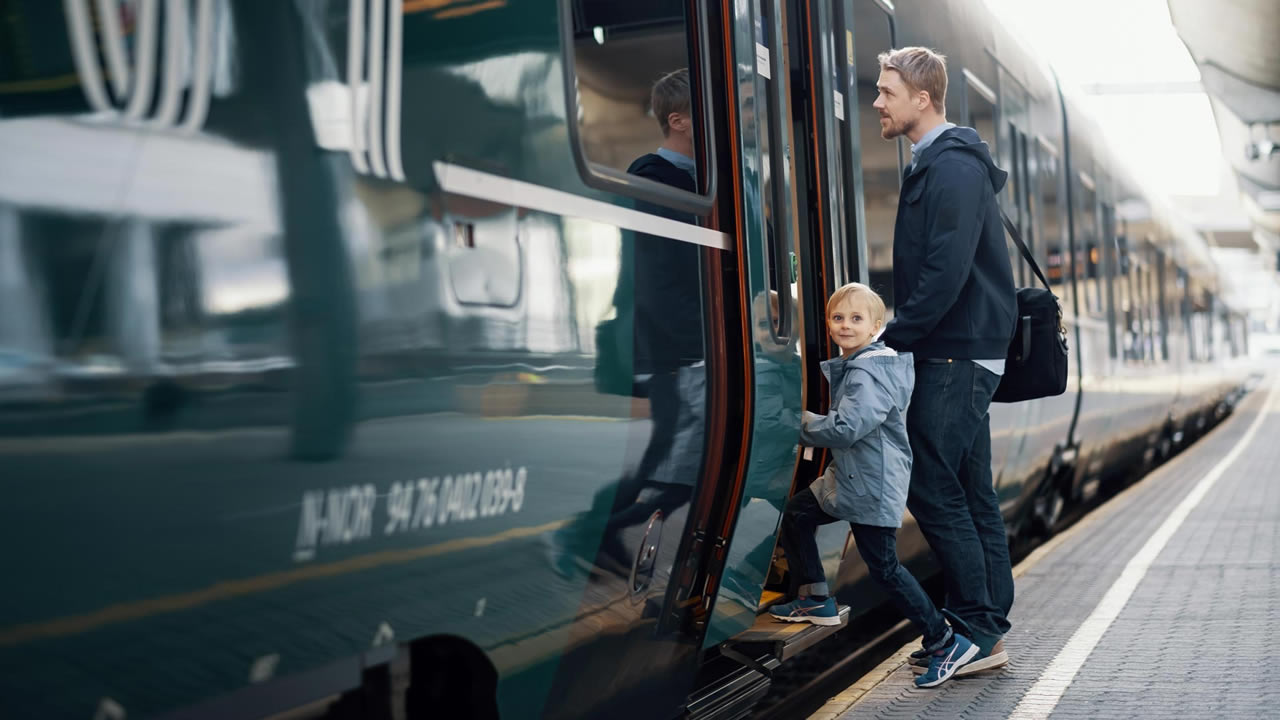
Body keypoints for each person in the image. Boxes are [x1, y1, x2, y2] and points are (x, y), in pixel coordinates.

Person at [871, 46, 1017, 676]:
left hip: (957, 351)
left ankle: (978, 628)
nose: (876, 101)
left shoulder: (953, 166)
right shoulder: (943, 162)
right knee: (969, 489)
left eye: (886, 91)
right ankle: (983, 626)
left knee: (931, 483)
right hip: (963, 348)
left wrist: (895, 335)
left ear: (922, 99)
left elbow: (946, 269)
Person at [768, 283, 979, 688]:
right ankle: (815, 597)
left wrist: (793, 424)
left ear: (876, 327)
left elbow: (847, 428)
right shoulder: (861, 363)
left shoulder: (868, 372)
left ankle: (944, 640)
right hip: (850, 479)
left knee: (884, 568)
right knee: (796, 514)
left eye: (856, 319)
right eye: (838, 318)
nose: (845, 326)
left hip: (872, 484)